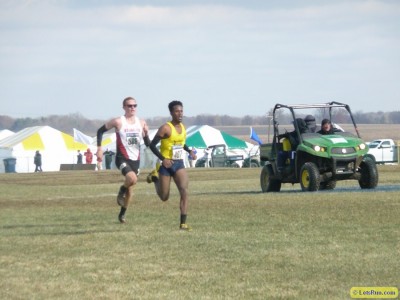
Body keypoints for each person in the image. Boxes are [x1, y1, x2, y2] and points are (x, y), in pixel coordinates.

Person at [96, 97, 150, 223]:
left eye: (135, 105)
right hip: (122, 158)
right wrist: (99, 149)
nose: (132, 108)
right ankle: (121, 190)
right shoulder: (118, 121)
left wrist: (146, 134)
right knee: (132, 179)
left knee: (130, 190)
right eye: (130, 105)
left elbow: (147, 144)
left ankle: (122, 214)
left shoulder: (141, 123)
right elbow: (100, 131)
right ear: (124, 107)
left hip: (135, 160)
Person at [147, 100, 197, 231]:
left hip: (179, 163)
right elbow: (152, 145)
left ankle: (183, 224)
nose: (180, 114)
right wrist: (163, 159)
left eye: (181, 111)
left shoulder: (184, 127)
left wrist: (189, 151)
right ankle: (154, 178)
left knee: (184, 191)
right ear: (171, 113)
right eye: (177, 111)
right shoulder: (165, 128)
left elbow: (181, 144)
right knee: (164, 197)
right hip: (166, 165)